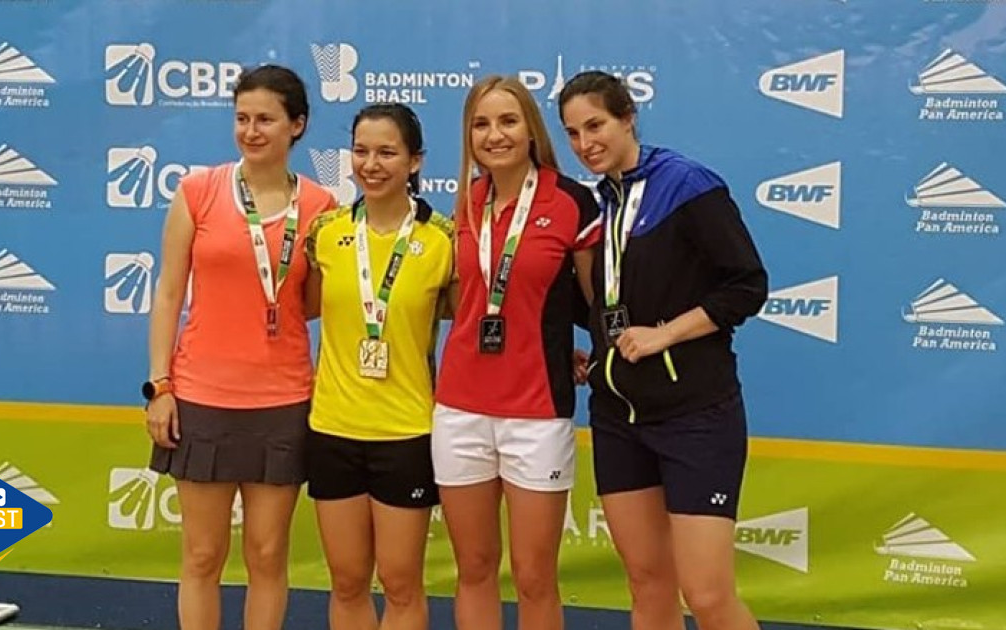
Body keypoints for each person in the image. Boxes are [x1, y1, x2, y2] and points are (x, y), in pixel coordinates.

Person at [557, 71, 769, 630]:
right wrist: (594, 349)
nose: (585, 144)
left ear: (628, 117)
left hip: (694, 415)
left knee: (707, 595)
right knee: (647, 584)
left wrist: (666, 333)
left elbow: (747, 285)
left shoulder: (687, 184)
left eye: (596, 126)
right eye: (573, 133)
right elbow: (610, 301)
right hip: (618, 418)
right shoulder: (601, 202)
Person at [142, 64, 337, 630]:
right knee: (202, 556)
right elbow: (168, 293)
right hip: (202, 397)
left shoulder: (322, 206)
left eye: (266, 120)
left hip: (282, 400)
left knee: (268, 556)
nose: (251, 131)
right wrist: (160, 386)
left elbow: (314, 302)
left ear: (297, 125)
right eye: (242, 118)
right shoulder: (198, 191)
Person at [433, 75, 601, 630]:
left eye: (508, 121)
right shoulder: (465, 203)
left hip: (536, 413)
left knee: (533, 577)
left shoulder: (572, 201)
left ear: (531, 128)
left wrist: (579, 350)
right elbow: (463, 298)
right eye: (481, 124)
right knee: (474, 569)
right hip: (460, 409)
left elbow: (595, 303)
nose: (495, 135)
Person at [303, 103, 454, 630]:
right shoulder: (325, 232)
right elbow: (302, 307)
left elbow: (477, 320)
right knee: (347, 581)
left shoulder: (444, 240)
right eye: (361, 151)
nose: (371, 164)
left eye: (387, 152)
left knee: (400, 583)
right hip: (332, 429)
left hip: (406, 432)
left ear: (415, 161)